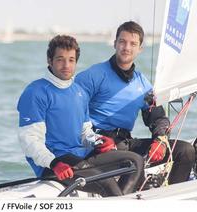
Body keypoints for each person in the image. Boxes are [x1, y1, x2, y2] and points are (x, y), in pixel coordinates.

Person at [17, 35, 144, 197]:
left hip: (81, 156)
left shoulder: (78, 91)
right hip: (56, 162)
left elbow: (85, 132)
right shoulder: (36, 92)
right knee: (106, 183)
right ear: (49, 61)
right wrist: (54, 163)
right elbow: (29, 140)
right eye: (60, 59)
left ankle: (120, 203)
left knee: (135, 162)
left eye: (71, 60)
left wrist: (98, 140)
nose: (66, 65)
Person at [75, 21, 196, 185]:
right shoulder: (94, 75)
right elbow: (71, 108)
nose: (127, 47)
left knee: (185, 151)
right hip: (98, 146)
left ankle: (168, 199)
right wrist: (94, 139)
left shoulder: (143, 84)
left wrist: (160, 139)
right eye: (122, 42)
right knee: (134, 162)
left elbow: (157, 117)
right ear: (115, 44)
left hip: (124, 144)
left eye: (133, 43)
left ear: (140, 49)